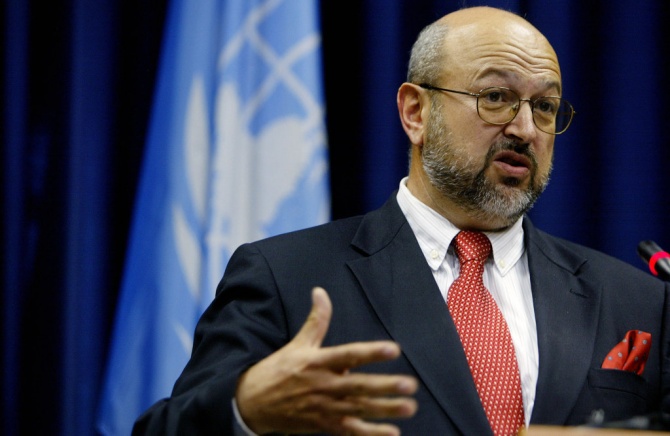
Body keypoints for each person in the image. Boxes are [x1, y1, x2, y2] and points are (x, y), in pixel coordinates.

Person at [133, 6, 670, 436]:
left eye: (546, 107)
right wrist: (246, 408)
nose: (526, 128)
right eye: (496, 97)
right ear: (416, 112)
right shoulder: (287, 277)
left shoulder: (638, 301)